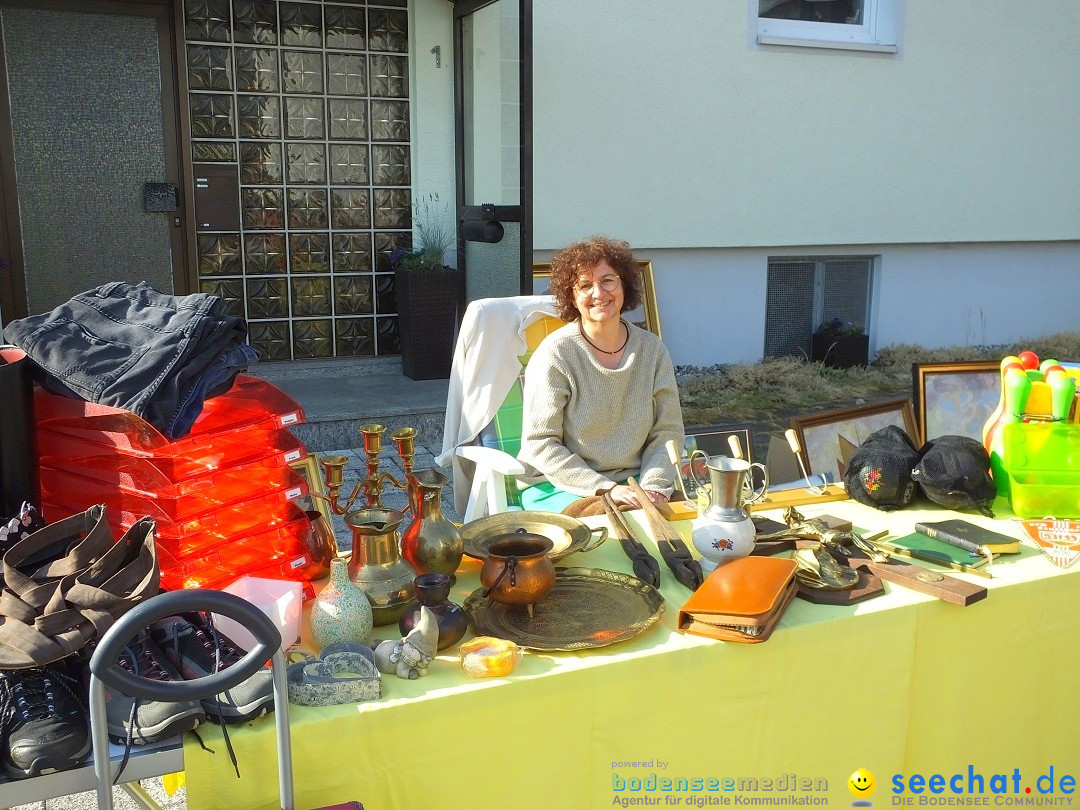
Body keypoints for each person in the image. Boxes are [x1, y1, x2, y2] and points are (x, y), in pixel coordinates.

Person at [519, 236, 684, 511]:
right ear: (571, 295)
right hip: (561, 485)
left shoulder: (652, 350)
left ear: (624, 285)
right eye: (585, 285)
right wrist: (606, 489)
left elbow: (668, 431)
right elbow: (540, 443)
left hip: (637, 483)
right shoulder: (556, 354)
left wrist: (655, 485)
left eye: (608, 280)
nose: (598, 293)